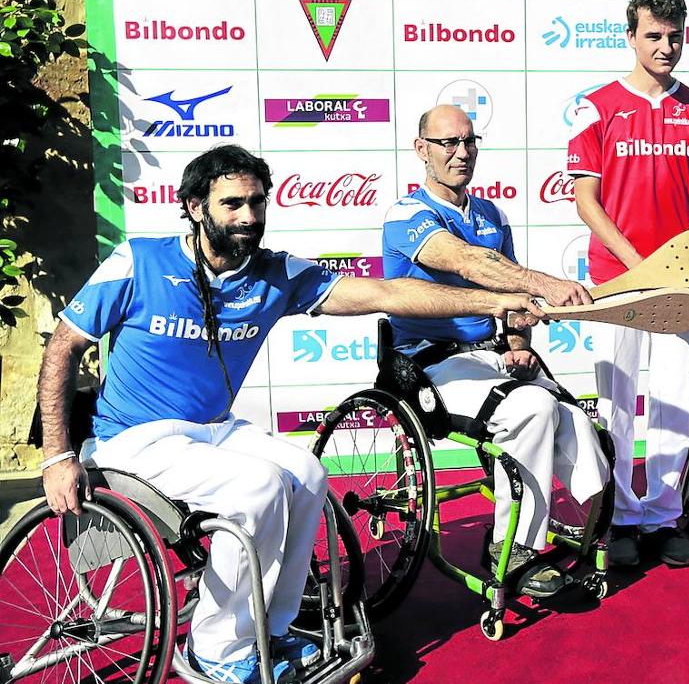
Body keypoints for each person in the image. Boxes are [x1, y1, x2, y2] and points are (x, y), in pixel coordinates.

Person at [38, 145, 541, 684]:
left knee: (307, 474)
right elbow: (63, 348)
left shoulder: (274, 272)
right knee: (257, 490)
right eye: (232, 204)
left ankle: (270, 629)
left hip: (213, 429)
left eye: (257, 202)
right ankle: (216, 650)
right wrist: (57, 455)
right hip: (134, 438)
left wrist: (493, 301)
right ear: (192, 206)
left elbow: (388, 292)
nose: (249, 217)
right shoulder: (141, 259)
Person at [382, 104, 610, 598]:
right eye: (447, 143)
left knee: (576, 421)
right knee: (532, 406)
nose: (461, 153)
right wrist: (543, 283)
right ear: (421, 150)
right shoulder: (407, 214)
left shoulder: (491, 214)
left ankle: (600, 525)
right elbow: (467, 262)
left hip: (490, 358)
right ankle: (512, 548)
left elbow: (512, 305)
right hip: (429, 361)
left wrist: (518, 341)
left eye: (469, 141)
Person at [567, 0, 689, 568]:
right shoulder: (598, 106)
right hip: (617, 279)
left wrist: (688, 265)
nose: (665, 47)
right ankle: (618, 516)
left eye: (674, 37)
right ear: (631, 37)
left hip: (680, 282)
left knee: (670, 399)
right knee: (615, 401)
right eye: (653, 36)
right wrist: (640, 265)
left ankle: (662, 515)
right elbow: (587, 201)